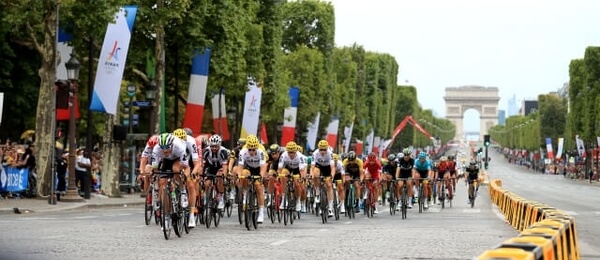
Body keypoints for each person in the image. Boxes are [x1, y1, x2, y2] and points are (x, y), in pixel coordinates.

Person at [151, 133, 189, 229]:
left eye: (167, 147)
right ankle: (166, 215)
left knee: (176, 170)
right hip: (166, 161)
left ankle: (183, 191)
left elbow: (186, 167)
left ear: (172, 145)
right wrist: (155, 176)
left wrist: (184, 176)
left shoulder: (179, 147)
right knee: (163, 184)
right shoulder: (156, 149)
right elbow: (155, 169)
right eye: (162, 148)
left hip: (177, 159)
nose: (165, 150)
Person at [173, 128, 202, 227]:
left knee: (190, 184)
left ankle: (191, 215)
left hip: (189, 162)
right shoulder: (172, 142)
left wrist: (193, 173)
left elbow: (197, 163)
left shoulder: (191, 141)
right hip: (177, 161)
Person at [236, 135, 268, 223]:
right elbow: (240, 166)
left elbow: (263, 166)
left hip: (258, 169)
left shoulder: (260, 152)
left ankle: (261, 212)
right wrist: (239, 176)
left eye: (253, 149)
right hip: (249, 168)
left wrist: (261, 176)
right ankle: (245, 194)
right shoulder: (243, 152)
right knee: (244, 174)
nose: (251, 151)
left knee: (258, 187)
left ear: (256, 148)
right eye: (250, 149)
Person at [201, 134, 230, 218]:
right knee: (207, 183)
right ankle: (207, 199)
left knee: (219, 177)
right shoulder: (206, 150)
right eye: (212, 146)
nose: (214, 148)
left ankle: (221, 197)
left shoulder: (223, 151)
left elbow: (225, 166)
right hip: (210, 166)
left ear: (219, 145)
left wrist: (224, 176)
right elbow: (202, 165)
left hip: (220, 166)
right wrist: (202, 175)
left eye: (216, 146)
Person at [277, 141, 306, 212]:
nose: (291, 154)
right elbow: (280, 168)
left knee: (297, 183)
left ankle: (298, 201)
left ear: (296, 151)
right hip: (288, 168)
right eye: (289, 152)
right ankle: (284, 199)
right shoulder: (284, 155)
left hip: (297, 169)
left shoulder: (300, 156)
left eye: (293, 152)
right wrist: (279, 176)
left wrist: (302, 178)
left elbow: (302, 170)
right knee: (283, 175)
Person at [310, 140, 336, 217]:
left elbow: (333, 167)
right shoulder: (315, 153)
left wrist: (332, 176)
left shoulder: (330, 153)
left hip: (328, 168)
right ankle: (317, 192)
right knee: (315, 173)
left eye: (324, 149)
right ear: (318, 149)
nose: (322, 151)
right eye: (321, 149)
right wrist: (311, 175)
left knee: (328, 184)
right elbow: (312, 167)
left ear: (327, 149)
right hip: (319, 166)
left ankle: (330, 208)